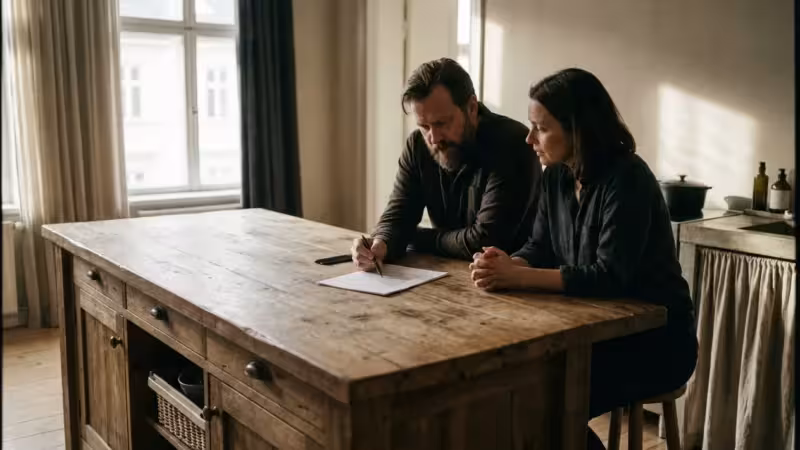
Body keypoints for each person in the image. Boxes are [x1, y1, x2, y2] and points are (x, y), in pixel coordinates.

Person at [469, 68, 697, 449]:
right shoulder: (556, 176)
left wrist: (518, 277)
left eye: (540, 128)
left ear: (577, 129)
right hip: (594, 336)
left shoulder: (629, 179)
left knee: (543, 402)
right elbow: (539, 246)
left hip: (655, 343)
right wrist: (504, 263)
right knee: (517, 392)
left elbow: (609, 276)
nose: (529, 139)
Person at [352, 58, 541, 270]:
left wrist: (412, 236)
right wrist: (380, 243)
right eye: (424, 126)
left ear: (471, 107)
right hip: (444, 276)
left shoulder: (513, 143)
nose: (433, 138)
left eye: (441, 123)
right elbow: (398, 214)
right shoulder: (417, 145)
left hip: (515, 287)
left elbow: (484, 241)